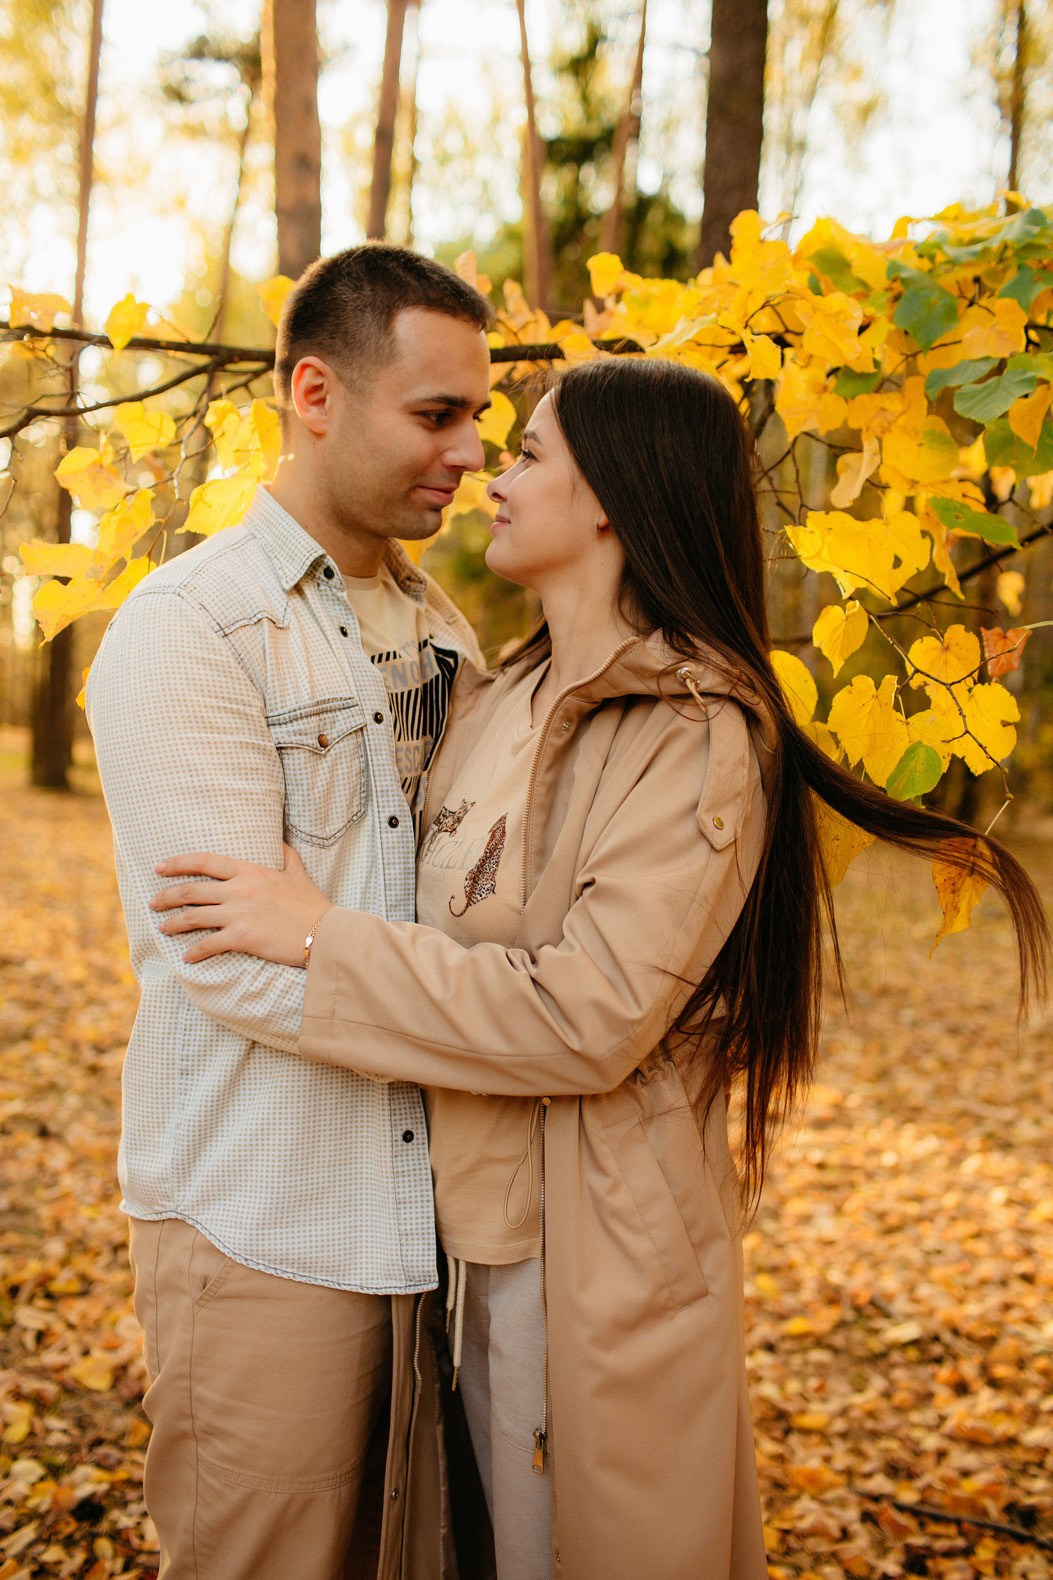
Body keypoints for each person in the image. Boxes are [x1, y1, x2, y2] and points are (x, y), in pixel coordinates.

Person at [151, 357, 1048, 1580]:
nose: (488, 472)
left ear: (616, 496)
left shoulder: (699, 730)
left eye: (526, 453)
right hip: (446, 1241)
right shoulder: (492, 687)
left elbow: (587, 1014)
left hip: (581, 1250)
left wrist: (316, 933)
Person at [85, 243, 496, 1580]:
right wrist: (504, 1021)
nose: (469, 452)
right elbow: (238, 969)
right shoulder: (190, 628)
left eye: (480, 418)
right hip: (264, 1221)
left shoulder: (449, 637)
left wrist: (352, 945)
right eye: (436, 415)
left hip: (437, 1232)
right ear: (316, 395)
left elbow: (478, 925)